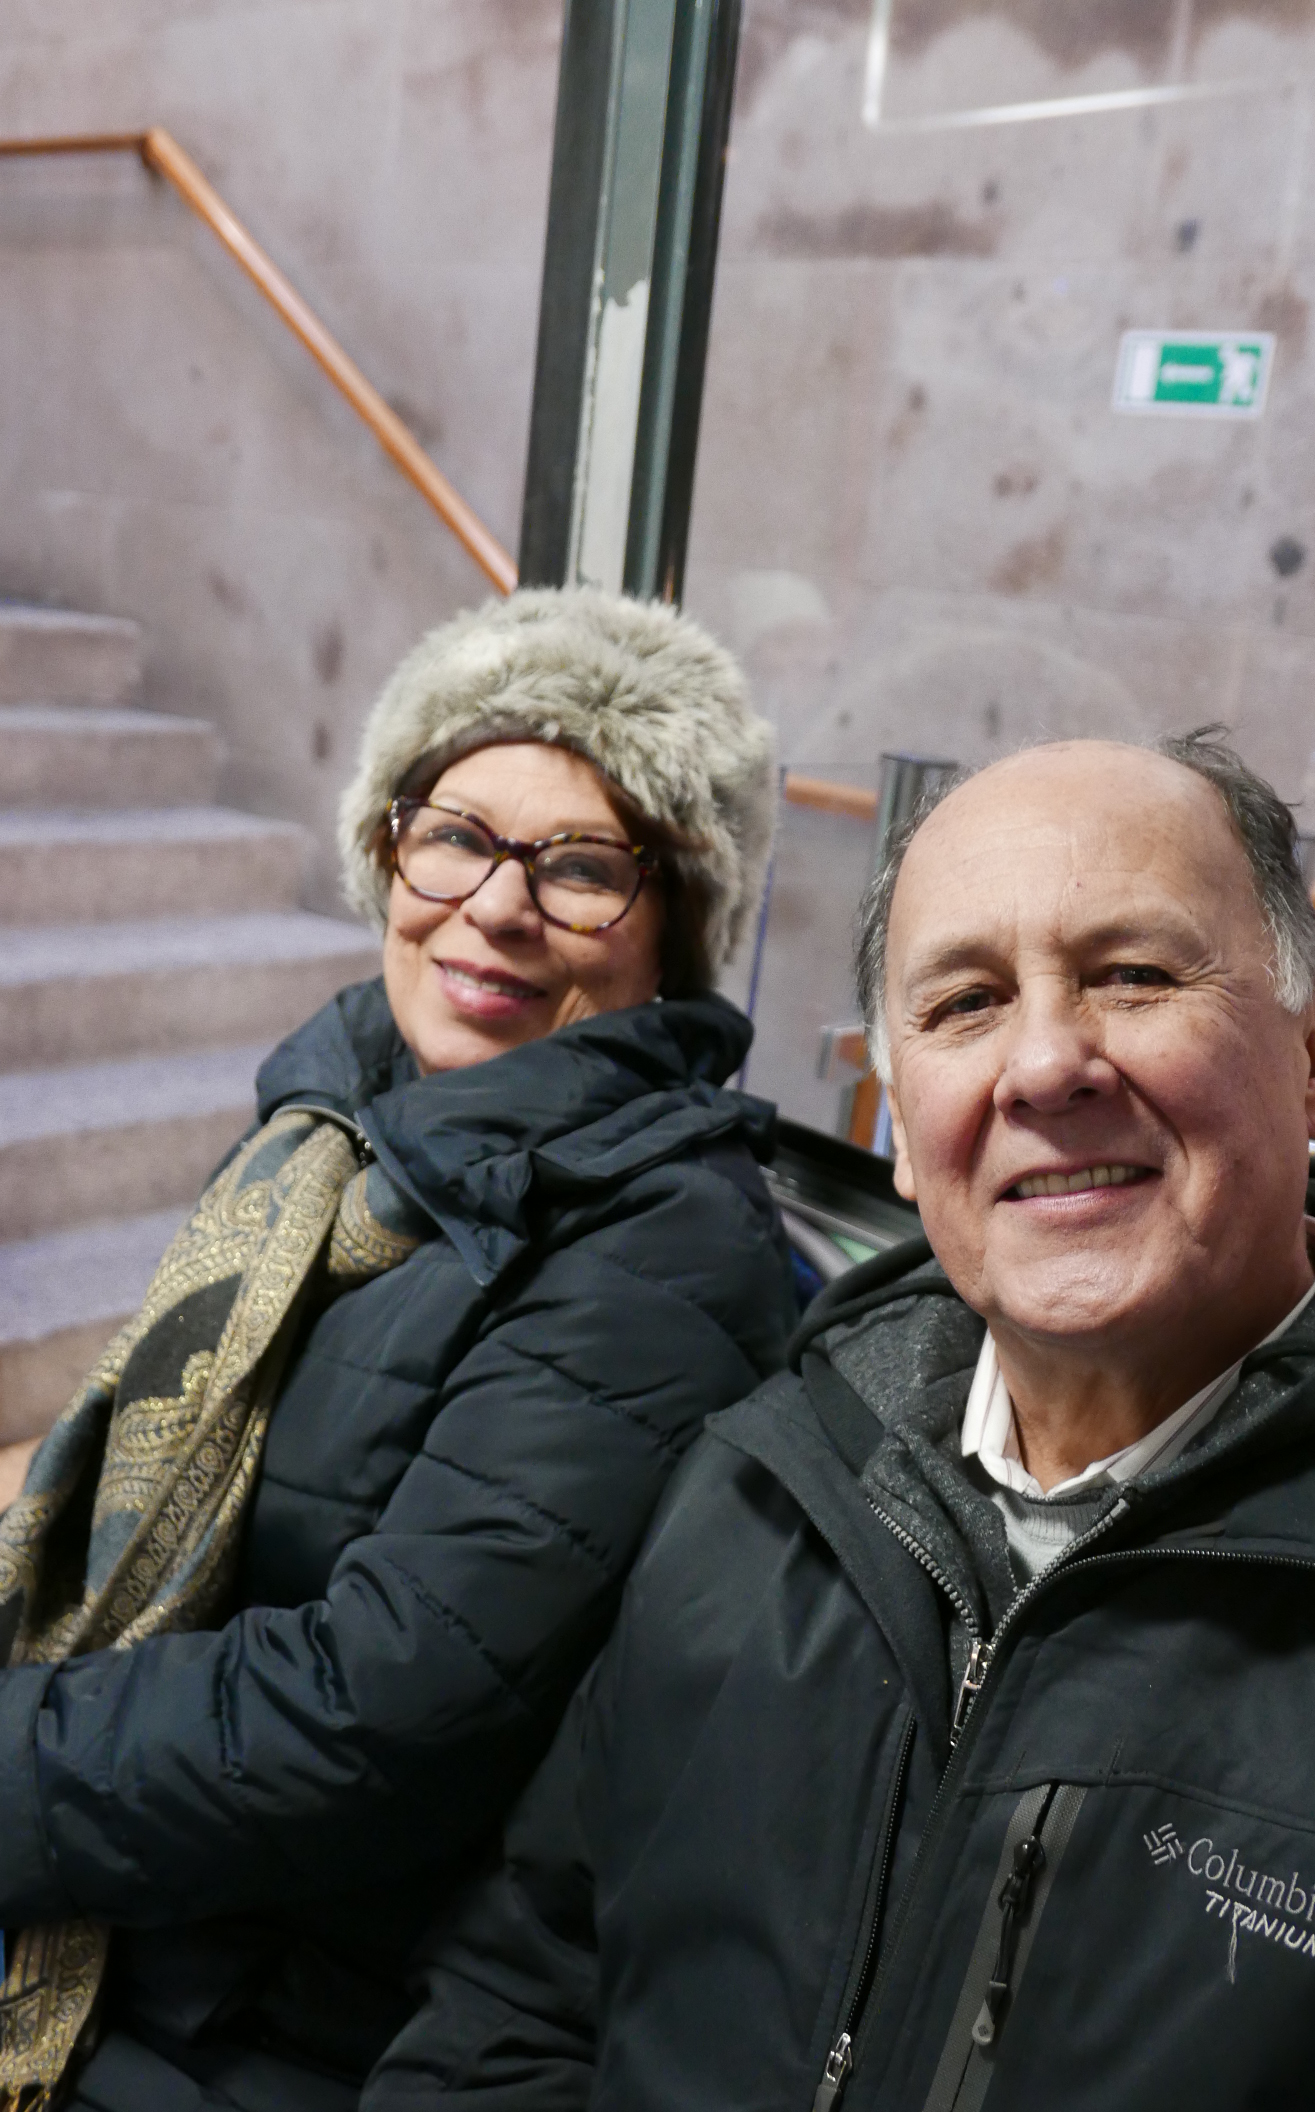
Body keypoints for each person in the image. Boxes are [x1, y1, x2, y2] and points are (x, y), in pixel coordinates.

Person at [368, 727, 1315, 2112]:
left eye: (1135, 976)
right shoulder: (762, 1486)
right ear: (903, 1130)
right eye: (966, 1003)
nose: (1045, 1065)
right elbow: (522, 1986)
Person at [0, 588, 795, 2112]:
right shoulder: (335, 1135)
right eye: (458, 836)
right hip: (132, 1906)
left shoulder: (666, 1246)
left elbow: (373, 1715)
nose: (495, 906)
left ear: (677, 933)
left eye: (580, 869)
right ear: (388, 848)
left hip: (262, 2023)